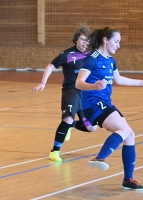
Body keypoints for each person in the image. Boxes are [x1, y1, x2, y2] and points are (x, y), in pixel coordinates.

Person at [75, 27, 143, 191]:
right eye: (116, 41)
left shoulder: (110, 60)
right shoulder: (92, 59)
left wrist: (141, 82)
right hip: (91, 102)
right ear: (105, 40)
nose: (118, 45)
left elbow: (118, 79)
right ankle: (100, 158)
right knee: (124, 130)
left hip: (104, 102)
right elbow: (78, 83)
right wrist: (94, 85)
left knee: (130, 134)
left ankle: (128, 179)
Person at [33, 23, 97, 162]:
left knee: (92, 127)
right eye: (82, 39)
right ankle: (55, 151)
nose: (85, 43)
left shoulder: (92, 53)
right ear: (76, 40)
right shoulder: (67, 54)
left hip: (86, 93)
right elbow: (51, 65)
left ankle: (72, 125)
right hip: (71, 90)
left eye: (87, 40)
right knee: (67, 118)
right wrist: (43, 82)